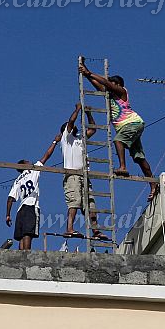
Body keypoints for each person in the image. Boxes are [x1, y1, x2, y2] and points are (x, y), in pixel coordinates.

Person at [78, 61, 157, 201]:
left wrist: (89, 73)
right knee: (139, 157)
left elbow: (106, 84)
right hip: (129, 127)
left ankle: (122, 167)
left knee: (118, 140)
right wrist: (86, 72)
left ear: (118, 85)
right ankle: (153, 184)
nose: (110, 87)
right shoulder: (110, 95)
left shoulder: (122, 92)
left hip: (131, 124)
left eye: (113, 84)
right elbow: (98, 84)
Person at [60, 102, 108, 240]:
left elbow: (92, 129)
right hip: (72, 174)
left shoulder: (80, 139)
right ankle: (69, 228)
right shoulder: (66, 139)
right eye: (71, 127)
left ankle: (96, 231)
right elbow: (71, 121)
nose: (74, 127)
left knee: (90, 204)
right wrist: (78, 109)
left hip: (84, 175)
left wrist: (88, 113)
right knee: (74, 202)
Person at [5, 137, 58, 250]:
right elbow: (46, 156)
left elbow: (10, 198)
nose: (30, 162)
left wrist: (8, 215)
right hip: (31, 206)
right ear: (24, 165)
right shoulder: (33, 170)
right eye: (27, 161)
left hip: (20, 209)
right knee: (28, 233)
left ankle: (21, 258)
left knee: (21, 236)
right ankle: (27, 257)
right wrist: (55, 142)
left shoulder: (17, 180)